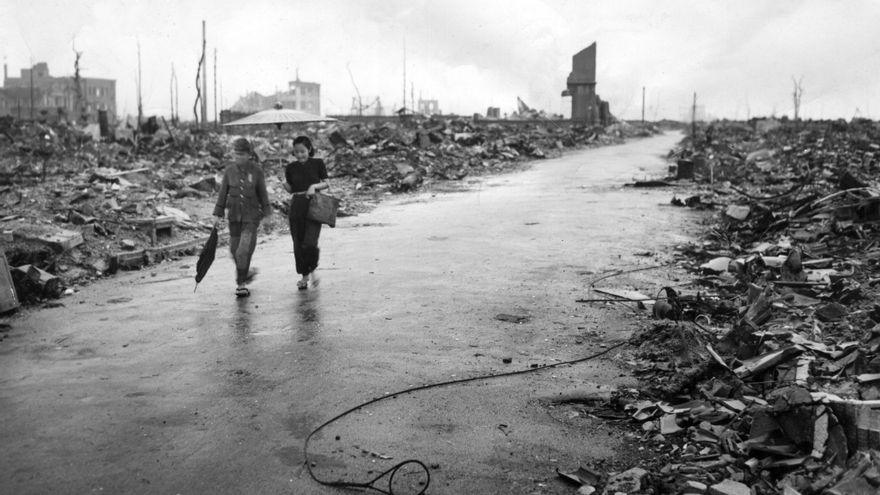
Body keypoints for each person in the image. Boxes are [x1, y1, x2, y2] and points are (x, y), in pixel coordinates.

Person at [213, 137, 271, 297]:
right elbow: (223, 193)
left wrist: (267, 215)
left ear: (249, 154)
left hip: (251, 218)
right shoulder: (229, 171)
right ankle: (246, 272)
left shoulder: (257, 170)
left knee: (243, 251)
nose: (238, 158)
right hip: (234, 217)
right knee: (233, 250)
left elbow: (263, 194)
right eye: (236, 154)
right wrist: (217, 214)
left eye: (242, 155)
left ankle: (241, 283)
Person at [284, 135, 329, 290]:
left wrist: (314, 187)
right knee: (298, 243)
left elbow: (326, 184)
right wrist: (283, 182)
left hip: (314, 205)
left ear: (309, 149)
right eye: (296, 152)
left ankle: (313, 271)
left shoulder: (318, 163)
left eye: (302, 151)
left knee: (310, 242)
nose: (300, 155)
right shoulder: (290, 168)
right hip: (297, 207)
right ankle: (304, 276)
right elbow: (291, 189)